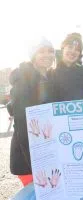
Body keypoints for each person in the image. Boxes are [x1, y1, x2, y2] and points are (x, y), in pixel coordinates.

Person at [9, 37, 55, 186]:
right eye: (41, 51)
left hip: (44, 154)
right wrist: (35, 164)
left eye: (50, 51)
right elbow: (22, 126)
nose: (47, 54)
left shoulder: (47, 78)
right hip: (28, 160)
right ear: (33, 55)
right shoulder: (23, 80)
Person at [51, 32, 83, 101]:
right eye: (70, 47)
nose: (73, 51)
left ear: (79, 54)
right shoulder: (51, 75)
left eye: (77, 50)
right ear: (63, 48)